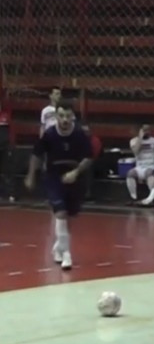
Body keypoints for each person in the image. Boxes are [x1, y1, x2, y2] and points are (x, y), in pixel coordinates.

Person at [24, 100, 93, 271]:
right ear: (56, 116)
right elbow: (36, 154)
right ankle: (67, 254)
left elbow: (89, 157)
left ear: (73, 117)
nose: (65, 120)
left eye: (68, 116)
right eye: (61, 116)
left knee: (68, 216)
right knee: (60, 212)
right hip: (53, 176)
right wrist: (31, 175)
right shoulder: (49, 134)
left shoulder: (79, 134)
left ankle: (58, 247)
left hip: (74, 176)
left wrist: (76, 172)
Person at [126, 124, 154, 203]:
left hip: (152, 165)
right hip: (140, 166)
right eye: (144, 130)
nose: (146, 132)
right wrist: (140, 138)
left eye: (148, 130)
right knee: (130, 173)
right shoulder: (133, 141)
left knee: (149, 173)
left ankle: (152, 198)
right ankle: (133, 197)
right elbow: (135, 151)